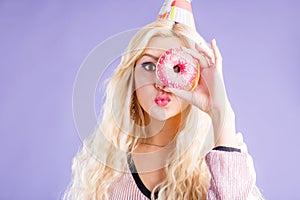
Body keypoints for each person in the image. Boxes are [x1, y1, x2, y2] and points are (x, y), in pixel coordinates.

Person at [64, 1, 263, 199]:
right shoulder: (104, 165)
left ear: (196, 78)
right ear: (132, 77)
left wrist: (221, 112)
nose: (161, 82)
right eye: (149, 66)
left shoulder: (226, 159)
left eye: (176, 68)